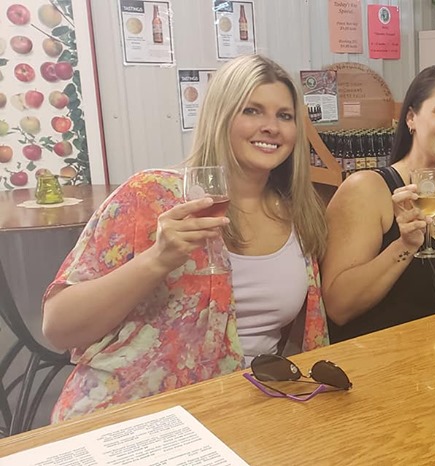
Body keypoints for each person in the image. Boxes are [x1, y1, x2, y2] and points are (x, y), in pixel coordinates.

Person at [41, 55, 329, 422]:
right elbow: (59, 327)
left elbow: (303, 338)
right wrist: (156, 260)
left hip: (242, 412)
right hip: (133, 413)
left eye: (284, 116)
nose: (271, 127)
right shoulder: (148, 195)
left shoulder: (300, 213)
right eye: (252, 111)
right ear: (220, 116)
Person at [321, 64, 435, 343]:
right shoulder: (367, 189)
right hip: (383, 363)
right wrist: (404, 246)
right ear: (411, 118)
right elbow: (338, 307)